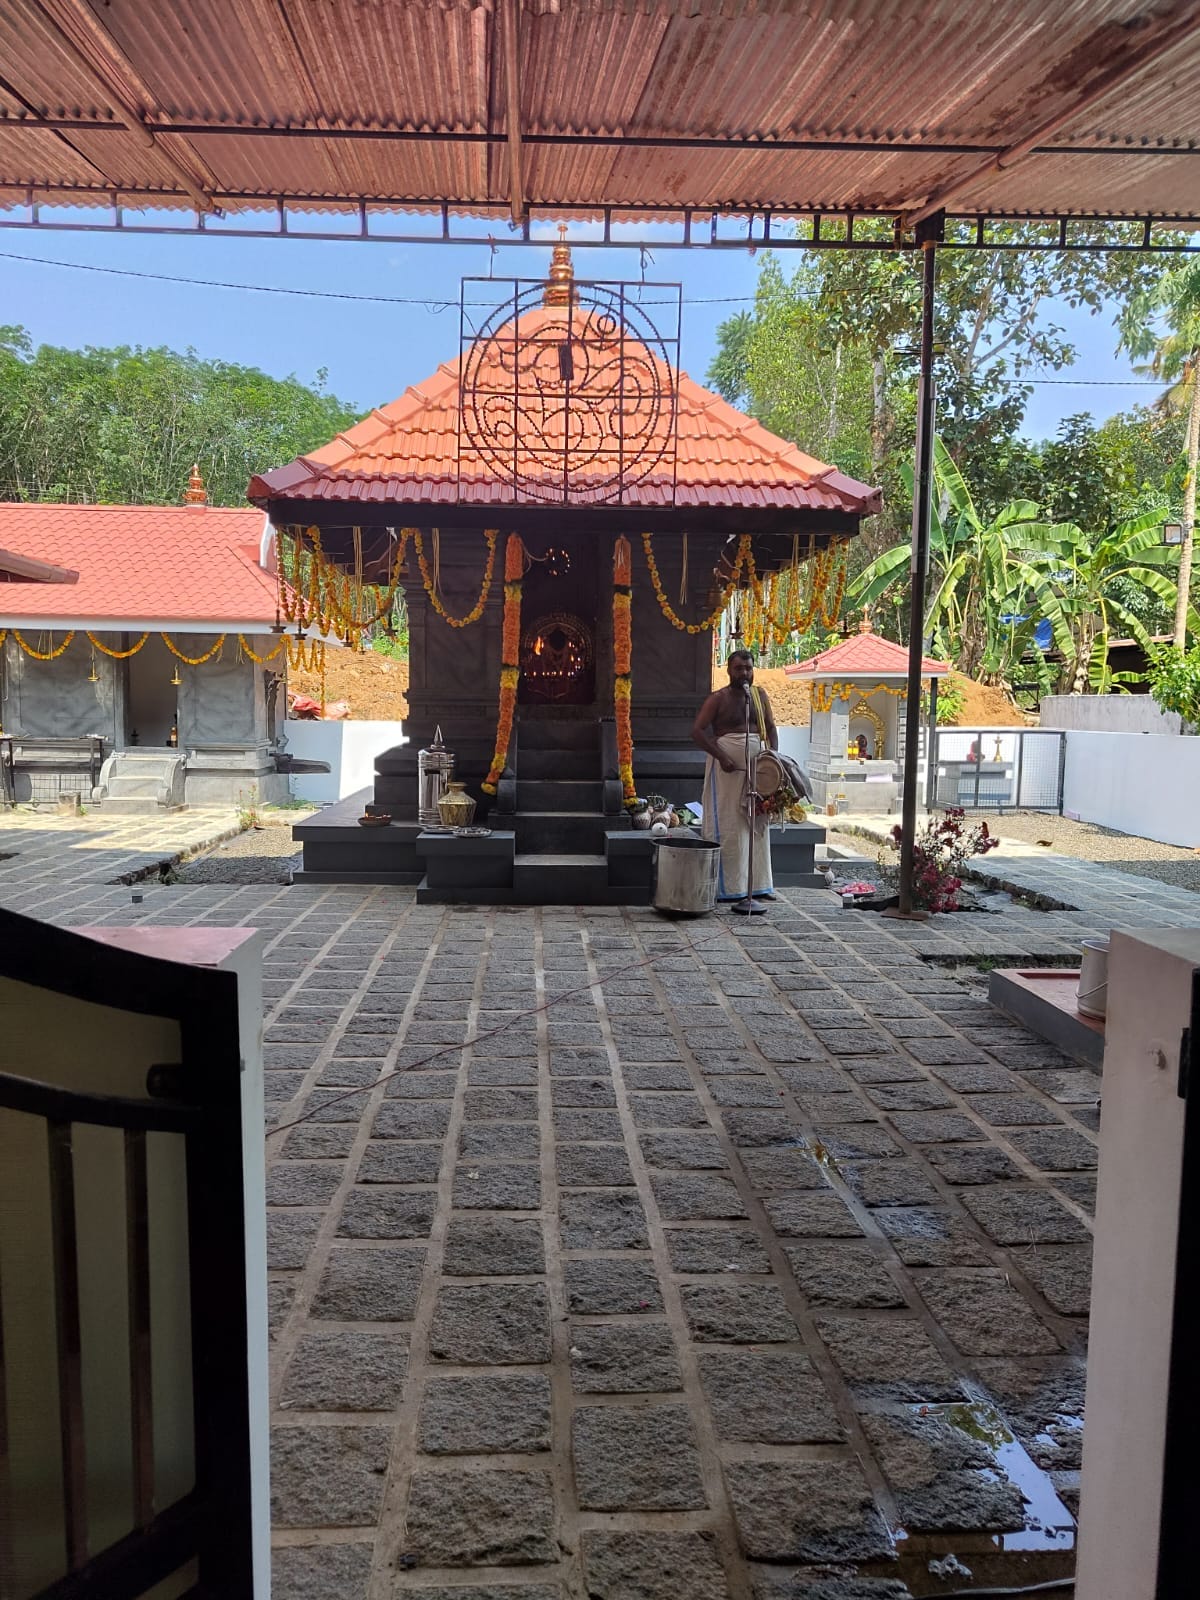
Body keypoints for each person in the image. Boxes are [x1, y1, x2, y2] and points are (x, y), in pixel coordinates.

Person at [691, 648, 778, 902]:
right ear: (728, 670)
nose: (744, 673)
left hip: (759, 769)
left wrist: (773, 757)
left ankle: (759, 885)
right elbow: (696, 731)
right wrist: (722, 756)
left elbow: (770, 728)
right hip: (727, 771)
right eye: (739, 668)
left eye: (749, 668)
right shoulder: (718, 698)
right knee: (730, 825)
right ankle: (727, 888)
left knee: (756, 824)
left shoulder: (759, 696)